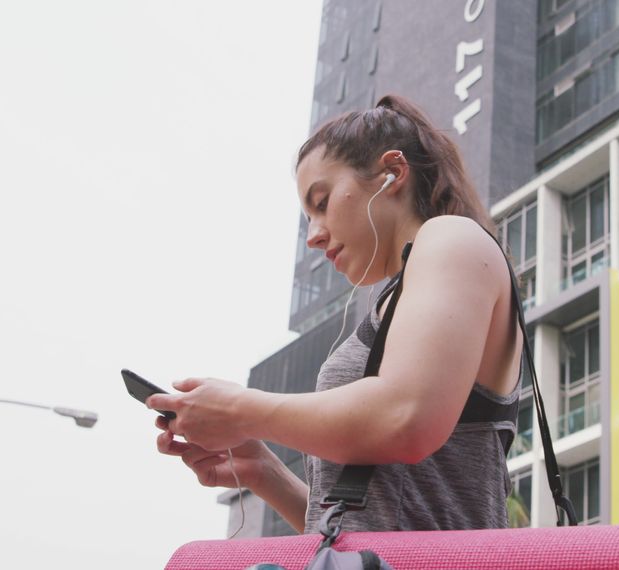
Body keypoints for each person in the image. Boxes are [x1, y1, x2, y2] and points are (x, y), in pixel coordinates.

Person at [147, 94, 524, 534]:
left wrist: (240, 409)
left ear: (393, 173)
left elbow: (406, 417)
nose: (313, 236)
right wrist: (262, 472)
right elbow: (373, 525)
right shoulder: (399, 296)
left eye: (322, 203)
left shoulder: (451, 238)